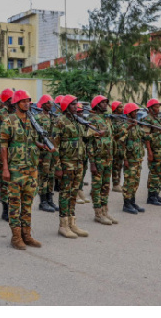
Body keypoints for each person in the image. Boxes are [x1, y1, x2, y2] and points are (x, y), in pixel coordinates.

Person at [0, 90, 49, 249]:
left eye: (29, 101)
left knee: (28, 203)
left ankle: (27, 235)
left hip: (31, 168)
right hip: (15, 169)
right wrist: (5, 169)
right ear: (16, 103)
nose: (27, 103)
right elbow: (3, 146)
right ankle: (16, 237)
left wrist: (45, 146)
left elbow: (34, 141)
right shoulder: (9, 121)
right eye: (23, 101)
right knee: (15, 204)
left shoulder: (32, 120)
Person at [52, 95, 93, 239]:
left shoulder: (76, 120)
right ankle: (63, 225)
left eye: (77, 104)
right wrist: (57, 166)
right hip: (66, 163)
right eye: (73, 104)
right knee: (65, 193)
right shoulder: (59, 121)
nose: (76, 106)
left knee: (74, 193)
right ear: (66, 106)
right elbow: (54, 145)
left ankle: (72, 222)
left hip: (78, 162)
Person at [87, 95, 119, 225]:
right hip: (98, 159)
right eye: (103, 103)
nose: (106, 105)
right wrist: (92, 162)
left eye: (106, 102)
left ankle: (105, 211)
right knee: (97, 186)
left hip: (108, 158)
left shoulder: (107, 120)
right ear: (96, 105)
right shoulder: (92, 120)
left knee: (106, 186)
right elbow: (89, 142)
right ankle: (98, 213)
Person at [142, 99, 161, 206]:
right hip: (155, 150)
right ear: (150, 108)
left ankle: (157, 193)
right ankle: (151, 196)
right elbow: (146, 137)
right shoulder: (147, 120)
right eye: (155, 107)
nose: (158, 109)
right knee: (154, 173)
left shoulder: (158, 119)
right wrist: (149, 152)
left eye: (158, 107)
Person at [120, 103, 146, 214]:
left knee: (136, 181)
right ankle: (126, 204)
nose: (136, 113)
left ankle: (132, 201)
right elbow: (121, 142)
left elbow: (143, 137)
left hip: (137, 157)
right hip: (130, 158)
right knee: (129, 182)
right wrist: (125, 159)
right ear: (129, 113)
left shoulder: (136, 124)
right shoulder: (125, 125)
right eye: (134, 111)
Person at [35, 94, 59, 212]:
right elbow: (34, 138)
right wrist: (39, 152)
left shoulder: (52, 117)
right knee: (43, 177)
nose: (51, 105)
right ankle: (43, 201)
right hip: (43, 152)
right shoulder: (38, 118)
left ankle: (50, 200)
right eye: (49, 102)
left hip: (52, 152)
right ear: (43, 104)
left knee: (51, 176)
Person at [0, 88, 15, 220]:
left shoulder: (17, 113)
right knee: (5, 182)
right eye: (12, 99)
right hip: (3, 149)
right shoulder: (0, 114)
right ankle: (5, 209)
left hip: (15, 151)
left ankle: (13, 207)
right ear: (7, 101)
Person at [110, 101, 126, 192]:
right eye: (120, 107)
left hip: (121, 146)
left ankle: (117, 183)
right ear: (115, 109)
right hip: (115, 146)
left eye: (122, 107)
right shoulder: (112, 120)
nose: (122, 109)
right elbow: (115, 134)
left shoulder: (122, 119)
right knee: (115, 166)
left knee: (119, 165)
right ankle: (115, 184)